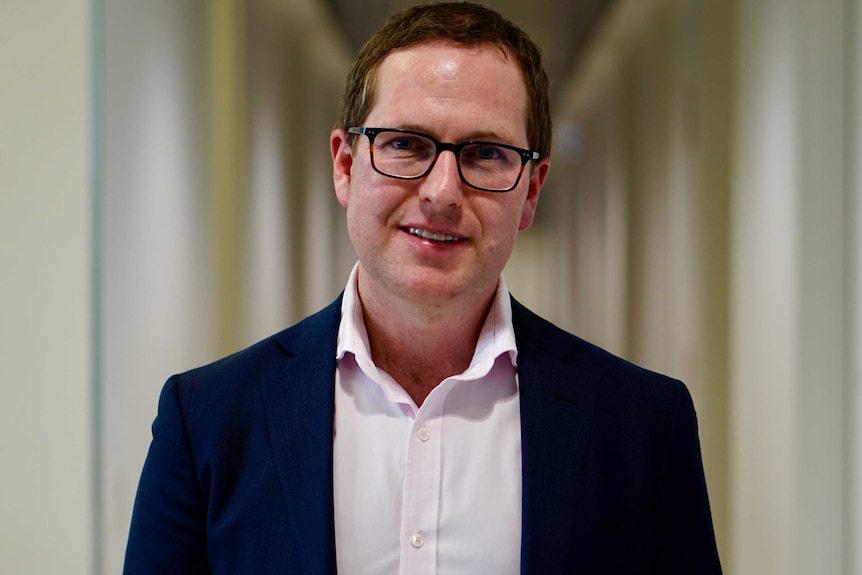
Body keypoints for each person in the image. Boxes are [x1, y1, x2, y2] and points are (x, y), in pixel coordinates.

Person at [123, 2, 722, 574]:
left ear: (532, 190)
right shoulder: (206, 420)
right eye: (406, 144)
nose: (440, 193)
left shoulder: (642, 425)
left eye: (486, 154)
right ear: (344, 164)